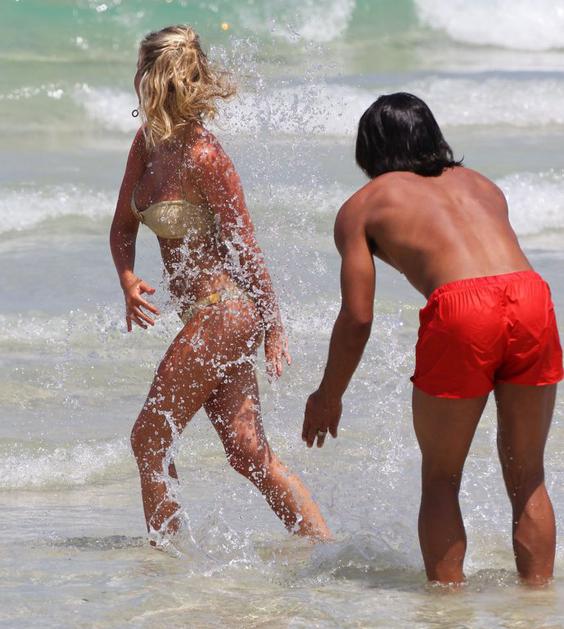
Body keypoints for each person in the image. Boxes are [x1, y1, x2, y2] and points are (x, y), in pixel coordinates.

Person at [302, 92, 563, 585]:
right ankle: (535, 609)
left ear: (369, 150)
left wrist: (328, 394)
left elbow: (358, 317)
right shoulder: (483, 185)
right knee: (528, 475)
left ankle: (447, 612)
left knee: (441, 479)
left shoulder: (363, 207)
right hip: (532, 298)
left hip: (463, 311)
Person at [110, 25, 330, 552]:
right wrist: (127, 278)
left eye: (140, 68)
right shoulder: (146, 145)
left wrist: (274, 326)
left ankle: (166, 560)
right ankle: (323, 548)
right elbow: (122, 227)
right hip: (207, 318)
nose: (135, 78)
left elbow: (245, 247)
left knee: (148, 438)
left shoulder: (206, 156)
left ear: (156, 78)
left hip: (225, 312)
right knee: (248, 453)